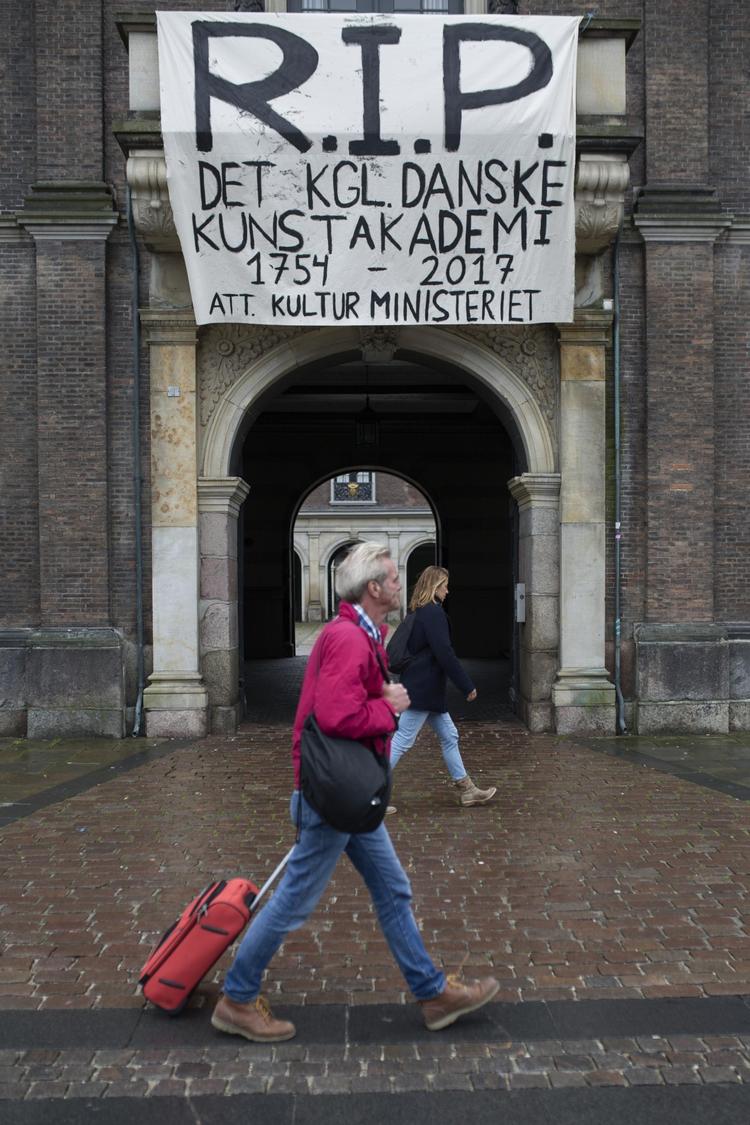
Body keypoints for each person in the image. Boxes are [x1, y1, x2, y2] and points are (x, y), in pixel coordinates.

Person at [211, 543, 500, 1043]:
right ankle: (237, 998)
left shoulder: (361, 633)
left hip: (349, 795)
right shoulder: (347, 638)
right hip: (332, 798)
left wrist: (378, 699)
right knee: (291, 904)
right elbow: (336, 715)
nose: (397, 584)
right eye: (391, 578)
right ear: (373, 588)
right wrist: (387, 705)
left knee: (393, 890)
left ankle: (432, 993)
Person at [388, 565, 496, 811]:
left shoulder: (419, 611)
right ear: (435, 587)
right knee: (403, 739)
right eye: (444, 585)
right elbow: (444, 653)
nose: (448, 590)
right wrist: (466, 685)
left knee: (450, 736)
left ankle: (467, 790)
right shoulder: (433, 614)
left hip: (425, 688)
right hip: (422, 689)